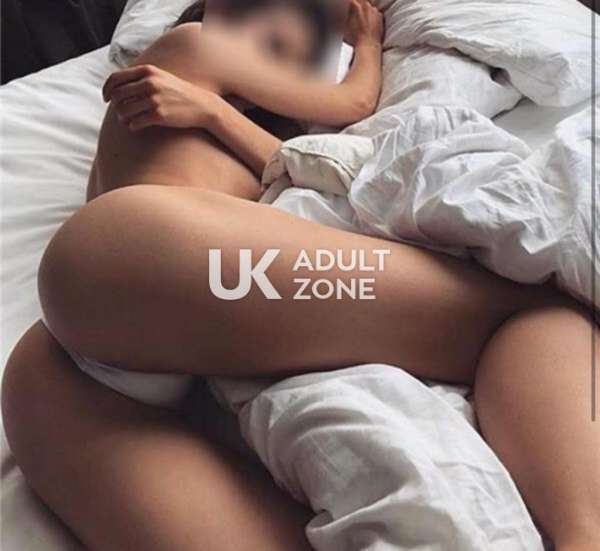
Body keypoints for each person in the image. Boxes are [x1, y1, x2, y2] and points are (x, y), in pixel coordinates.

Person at [2, 1, 598, 551]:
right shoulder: (195, 42)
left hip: (58, 367)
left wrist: (213, 113)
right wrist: (368, 42)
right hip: (147, 253)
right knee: (528, 310)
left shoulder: (194, 112)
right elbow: (354, 104)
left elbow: (279, 161)